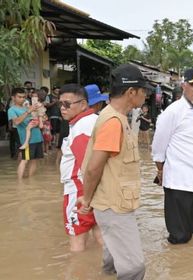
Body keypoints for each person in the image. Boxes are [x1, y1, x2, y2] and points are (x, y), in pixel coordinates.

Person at [76, 64, 149, 279]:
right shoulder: (113, 122)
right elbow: (93, 168)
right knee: (134, 267)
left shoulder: (116, 117)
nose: (145, 96)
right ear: (131, 92)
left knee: (113, 262)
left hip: (115, 202)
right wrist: (86, 200)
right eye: (143, 91)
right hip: (114, 206)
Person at [152, 68, 193, 244]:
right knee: (181, 237)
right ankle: (177, 269)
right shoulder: (173, 112)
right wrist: (161, 171)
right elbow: (158, 147)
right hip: (179, 183)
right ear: (184, 86)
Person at [59, 83, 103, 252]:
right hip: (93, 190)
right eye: (60, 104)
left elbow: (88, 164)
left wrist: (86, 196)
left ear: (83, 104)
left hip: (78, 190)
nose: (62, 108)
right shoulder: (93, 121)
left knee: (76, 242)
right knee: (100, 234)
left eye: (67, 104)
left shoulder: (81, 127)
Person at [7, 87, 44, 179]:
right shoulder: (12, 110)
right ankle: (20, 183)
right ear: (13, 97)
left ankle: (30, 182)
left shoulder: (28, 107)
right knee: (25, 160)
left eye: (24, 97)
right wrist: (28, 112)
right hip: (26, 140)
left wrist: (40, 111)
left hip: (37, 136)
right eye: (19, 97)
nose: (22, 99)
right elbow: (16, 122)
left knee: (35, 160)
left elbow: (42, 118)